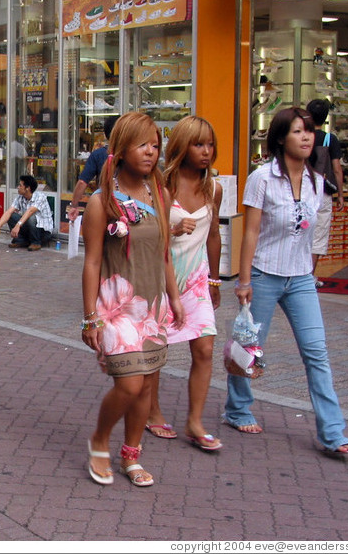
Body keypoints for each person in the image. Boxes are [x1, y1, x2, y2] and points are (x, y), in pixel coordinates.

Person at [225, 107, 348, 458]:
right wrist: (244, 280)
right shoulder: (262, 177)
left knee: (317, 352)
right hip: (265, 274)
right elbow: (250, 233)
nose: (307, 137)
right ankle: (237, 409)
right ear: (281, 137)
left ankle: (331, 431)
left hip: (300, 279)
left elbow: (307, 235)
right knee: (249, 348)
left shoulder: (315, 181)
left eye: (310, 131)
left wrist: (310, 274)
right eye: (298, 131)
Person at [81, 112, 184, 487]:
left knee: (147, 386)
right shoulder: (101, 202)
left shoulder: (161, 195)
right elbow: (92, 262)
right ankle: (100, 439)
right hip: (115, 309)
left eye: (156, 145)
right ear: (121, 149)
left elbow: (165, 254)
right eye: (143, 144)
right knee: (130, 385)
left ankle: (131, 455)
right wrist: (90, 317)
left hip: (151, 307)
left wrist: (174, 298)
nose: (151, 152)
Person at [142, 116, 223, 449]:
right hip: (161, 277)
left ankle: (195, 420)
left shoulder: (213, 187)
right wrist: (172, 231)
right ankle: (152, 412)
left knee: (204, 347)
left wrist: (216, 280)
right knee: (157, 350)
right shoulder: (161, 185)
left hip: (197, 280)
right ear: (182, 146)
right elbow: (146, 234)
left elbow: (214, 235)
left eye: (210, 144)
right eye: (198, 144)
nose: (206, 152)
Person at [305, 99, 345, 286]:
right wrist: (341, 194)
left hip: (302, 188)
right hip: (322, 191)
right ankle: (309, 276)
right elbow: (337, 169)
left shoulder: (302, 137)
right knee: (319, 234)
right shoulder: (331, 139)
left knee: (301, 230)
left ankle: (299, 274)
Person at [67, 115, 119, 222]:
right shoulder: (132, 154)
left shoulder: (98, 154)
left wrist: (74, 205)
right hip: (129, 206)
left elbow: (82, 182)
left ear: (106, 134)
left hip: (104, 204)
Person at [0, 174, 53, 251]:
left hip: (43, 233)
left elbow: (30, 211)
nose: (18, 187)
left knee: (31, 217)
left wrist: (17, 225)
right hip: (30, 230)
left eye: (20, 185)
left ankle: (36, 243)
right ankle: (21, 240)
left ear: (27, 188)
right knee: (12, 216)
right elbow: (9, 212)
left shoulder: (40, 196)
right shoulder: (20, 197)